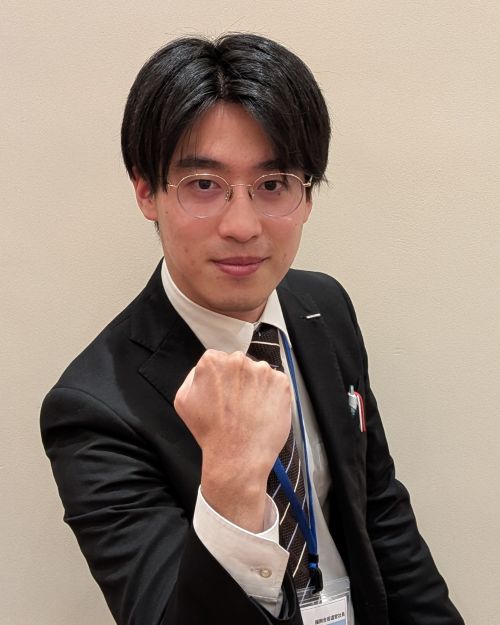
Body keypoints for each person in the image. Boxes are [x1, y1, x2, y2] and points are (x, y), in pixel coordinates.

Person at [41, 33, 464, 625]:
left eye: (272, 185)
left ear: (307, 196)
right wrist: (232, 484)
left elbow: (380, 510)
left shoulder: (324, 306)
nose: (242, 225)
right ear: (146, 191)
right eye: (203, 185)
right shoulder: (92, 408)